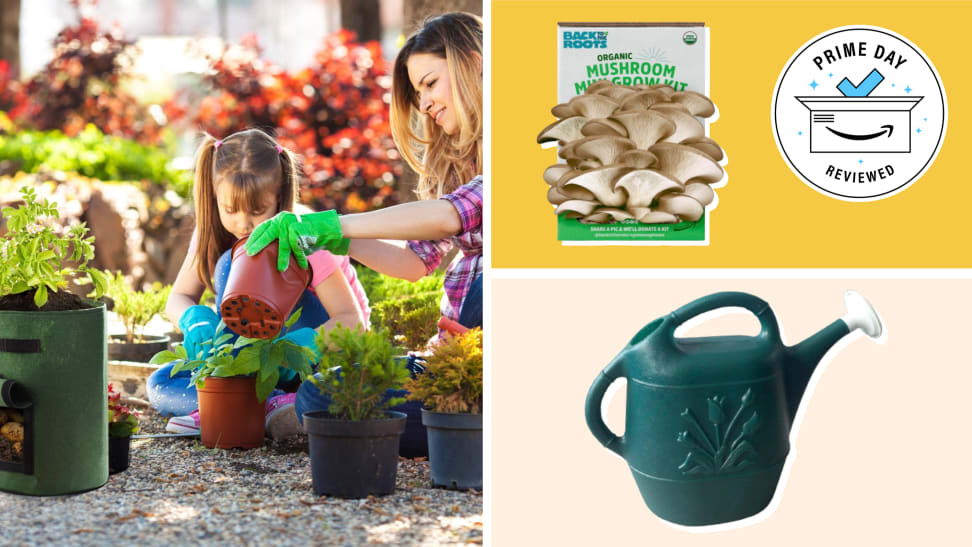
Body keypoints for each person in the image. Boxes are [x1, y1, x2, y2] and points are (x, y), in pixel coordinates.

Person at [243, 12, 484, 449]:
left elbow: (453, 214)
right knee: (323, 392)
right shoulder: (460, 163)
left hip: (484, 358)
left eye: (430, 83)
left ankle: (471, 419)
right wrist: (332, 236)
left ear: (471, 62)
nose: (425, 102)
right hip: (452, 358)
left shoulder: (525, 139)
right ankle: (457, 419)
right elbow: (413, 263)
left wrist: (335, 222)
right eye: (418, 92)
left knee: (490, 280)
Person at [146, 129, 370, 440]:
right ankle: (267, 404)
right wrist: (193, 319)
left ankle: (243, 405)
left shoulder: (302, 235)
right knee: (159, 383)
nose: (242, 223)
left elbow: (353, 322)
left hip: (318, 359)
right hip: (252, 367)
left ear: (278, 199)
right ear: (214, 197)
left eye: (256, 211)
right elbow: (180, 296)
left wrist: (308, 344)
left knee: (232, 263)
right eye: (230, 209)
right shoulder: (210, 234)